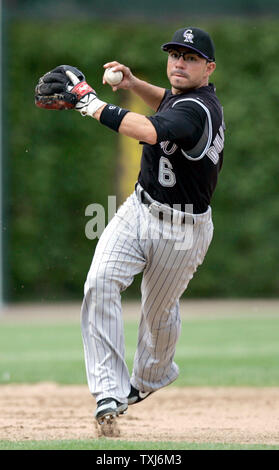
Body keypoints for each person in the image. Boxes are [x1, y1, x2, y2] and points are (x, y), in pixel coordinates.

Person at [36, 26, 225, 426]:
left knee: (158, 317)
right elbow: (165, 104)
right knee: (99, 282)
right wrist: (135, 82)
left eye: (190, 58)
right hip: (138, 210)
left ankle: (150, 377)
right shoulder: (182, 98)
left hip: (184, 230)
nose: (179, 63)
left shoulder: (200, 109)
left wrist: (89, 102)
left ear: (208, 68)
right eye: (175, 54)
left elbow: (150, 130)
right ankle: (107, 393)